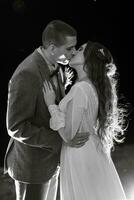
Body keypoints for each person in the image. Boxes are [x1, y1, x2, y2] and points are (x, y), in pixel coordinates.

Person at [4, 20, 89, 200]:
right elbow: (16, 126)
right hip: (32, 167)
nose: (73, 52)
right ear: (52, 48)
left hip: (51, 163)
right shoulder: (27, 74)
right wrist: (61, 140)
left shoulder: (56, 64)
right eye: (69, 48)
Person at [43, 41, 127, 200]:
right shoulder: (89, 86)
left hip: (79, 153)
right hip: (90, 150)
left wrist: (51, 105)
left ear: (89, 59)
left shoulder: (81, 89)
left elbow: (68, 136)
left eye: (81, 49)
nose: (74, 51)